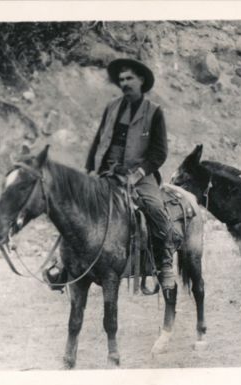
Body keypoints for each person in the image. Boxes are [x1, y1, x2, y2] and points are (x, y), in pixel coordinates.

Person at [85, 58, 175, 293]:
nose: (124, 83)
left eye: (129, 79)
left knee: (156, 209)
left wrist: (140, 173)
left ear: (141, 81)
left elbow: (159, 153)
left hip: (140, 175)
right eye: (121, 79)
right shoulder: (111, 107)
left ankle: (164, 264)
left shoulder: (154, 112)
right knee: (76, 204)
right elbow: (98, 142)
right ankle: (68, 264)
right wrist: (90, 172)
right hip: (108, 172)